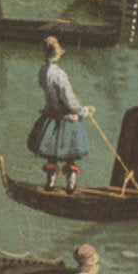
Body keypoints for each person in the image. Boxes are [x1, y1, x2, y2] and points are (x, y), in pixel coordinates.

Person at [26, 36, 95, 194]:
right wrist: (85, 110)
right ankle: (70, 186)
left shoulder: (43, 71)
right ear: (58, 53)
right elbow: (70, 101)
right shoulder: (59, 74)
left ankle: (50, 184)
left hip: (51, 117)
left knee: (53, 152)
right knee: (71, 153)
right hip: (66, 119)